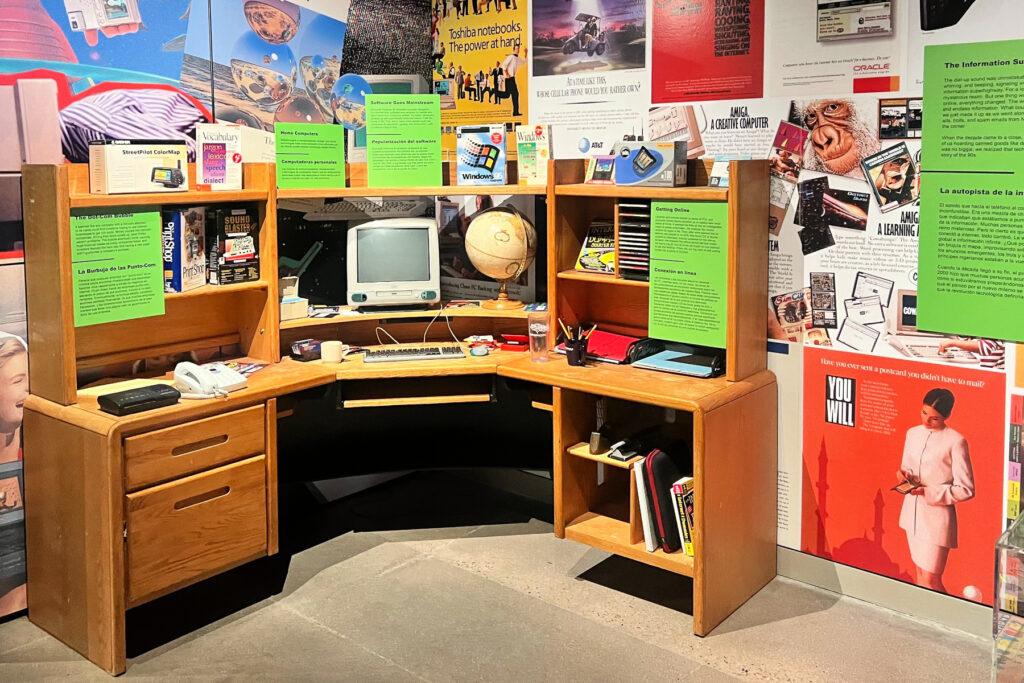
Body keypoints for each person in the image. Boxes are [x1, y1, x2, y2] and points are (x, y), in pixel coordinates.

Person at [896, 388, 975, 592]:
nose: (926, 421)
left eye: (935, 418)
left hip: (937, 519)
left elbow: (965, 489)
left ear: (946, 416)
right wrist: (903, 476)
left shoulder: (955, 441)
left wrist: (928, 492)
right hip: (911, 514)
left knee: (931, 580)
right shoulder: (912, 433)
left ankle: (948, 619)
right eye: (924, 413)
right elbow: (905, 467)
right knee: (920, 576)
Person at [938, 338, 1005, 369]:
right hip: (975, 371)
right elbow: (964, 339)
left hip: (994, 375)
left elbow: (986, 347)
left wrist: (953, 343)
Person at [500, 45, 524, 117]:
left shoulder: (517, 58)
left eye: (518, 49)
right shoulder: (511, 57)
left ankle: (515, 112)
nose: (518, 50)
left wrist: (526, 52)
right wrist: (507, 73)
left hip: (512, 78)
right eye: (516, 49)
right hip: (509, 78)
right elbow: (503, 65)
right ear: (513, 49)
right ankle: (495, 92)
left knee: (509, 94)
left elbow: (524, 61)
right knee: (513, 94)